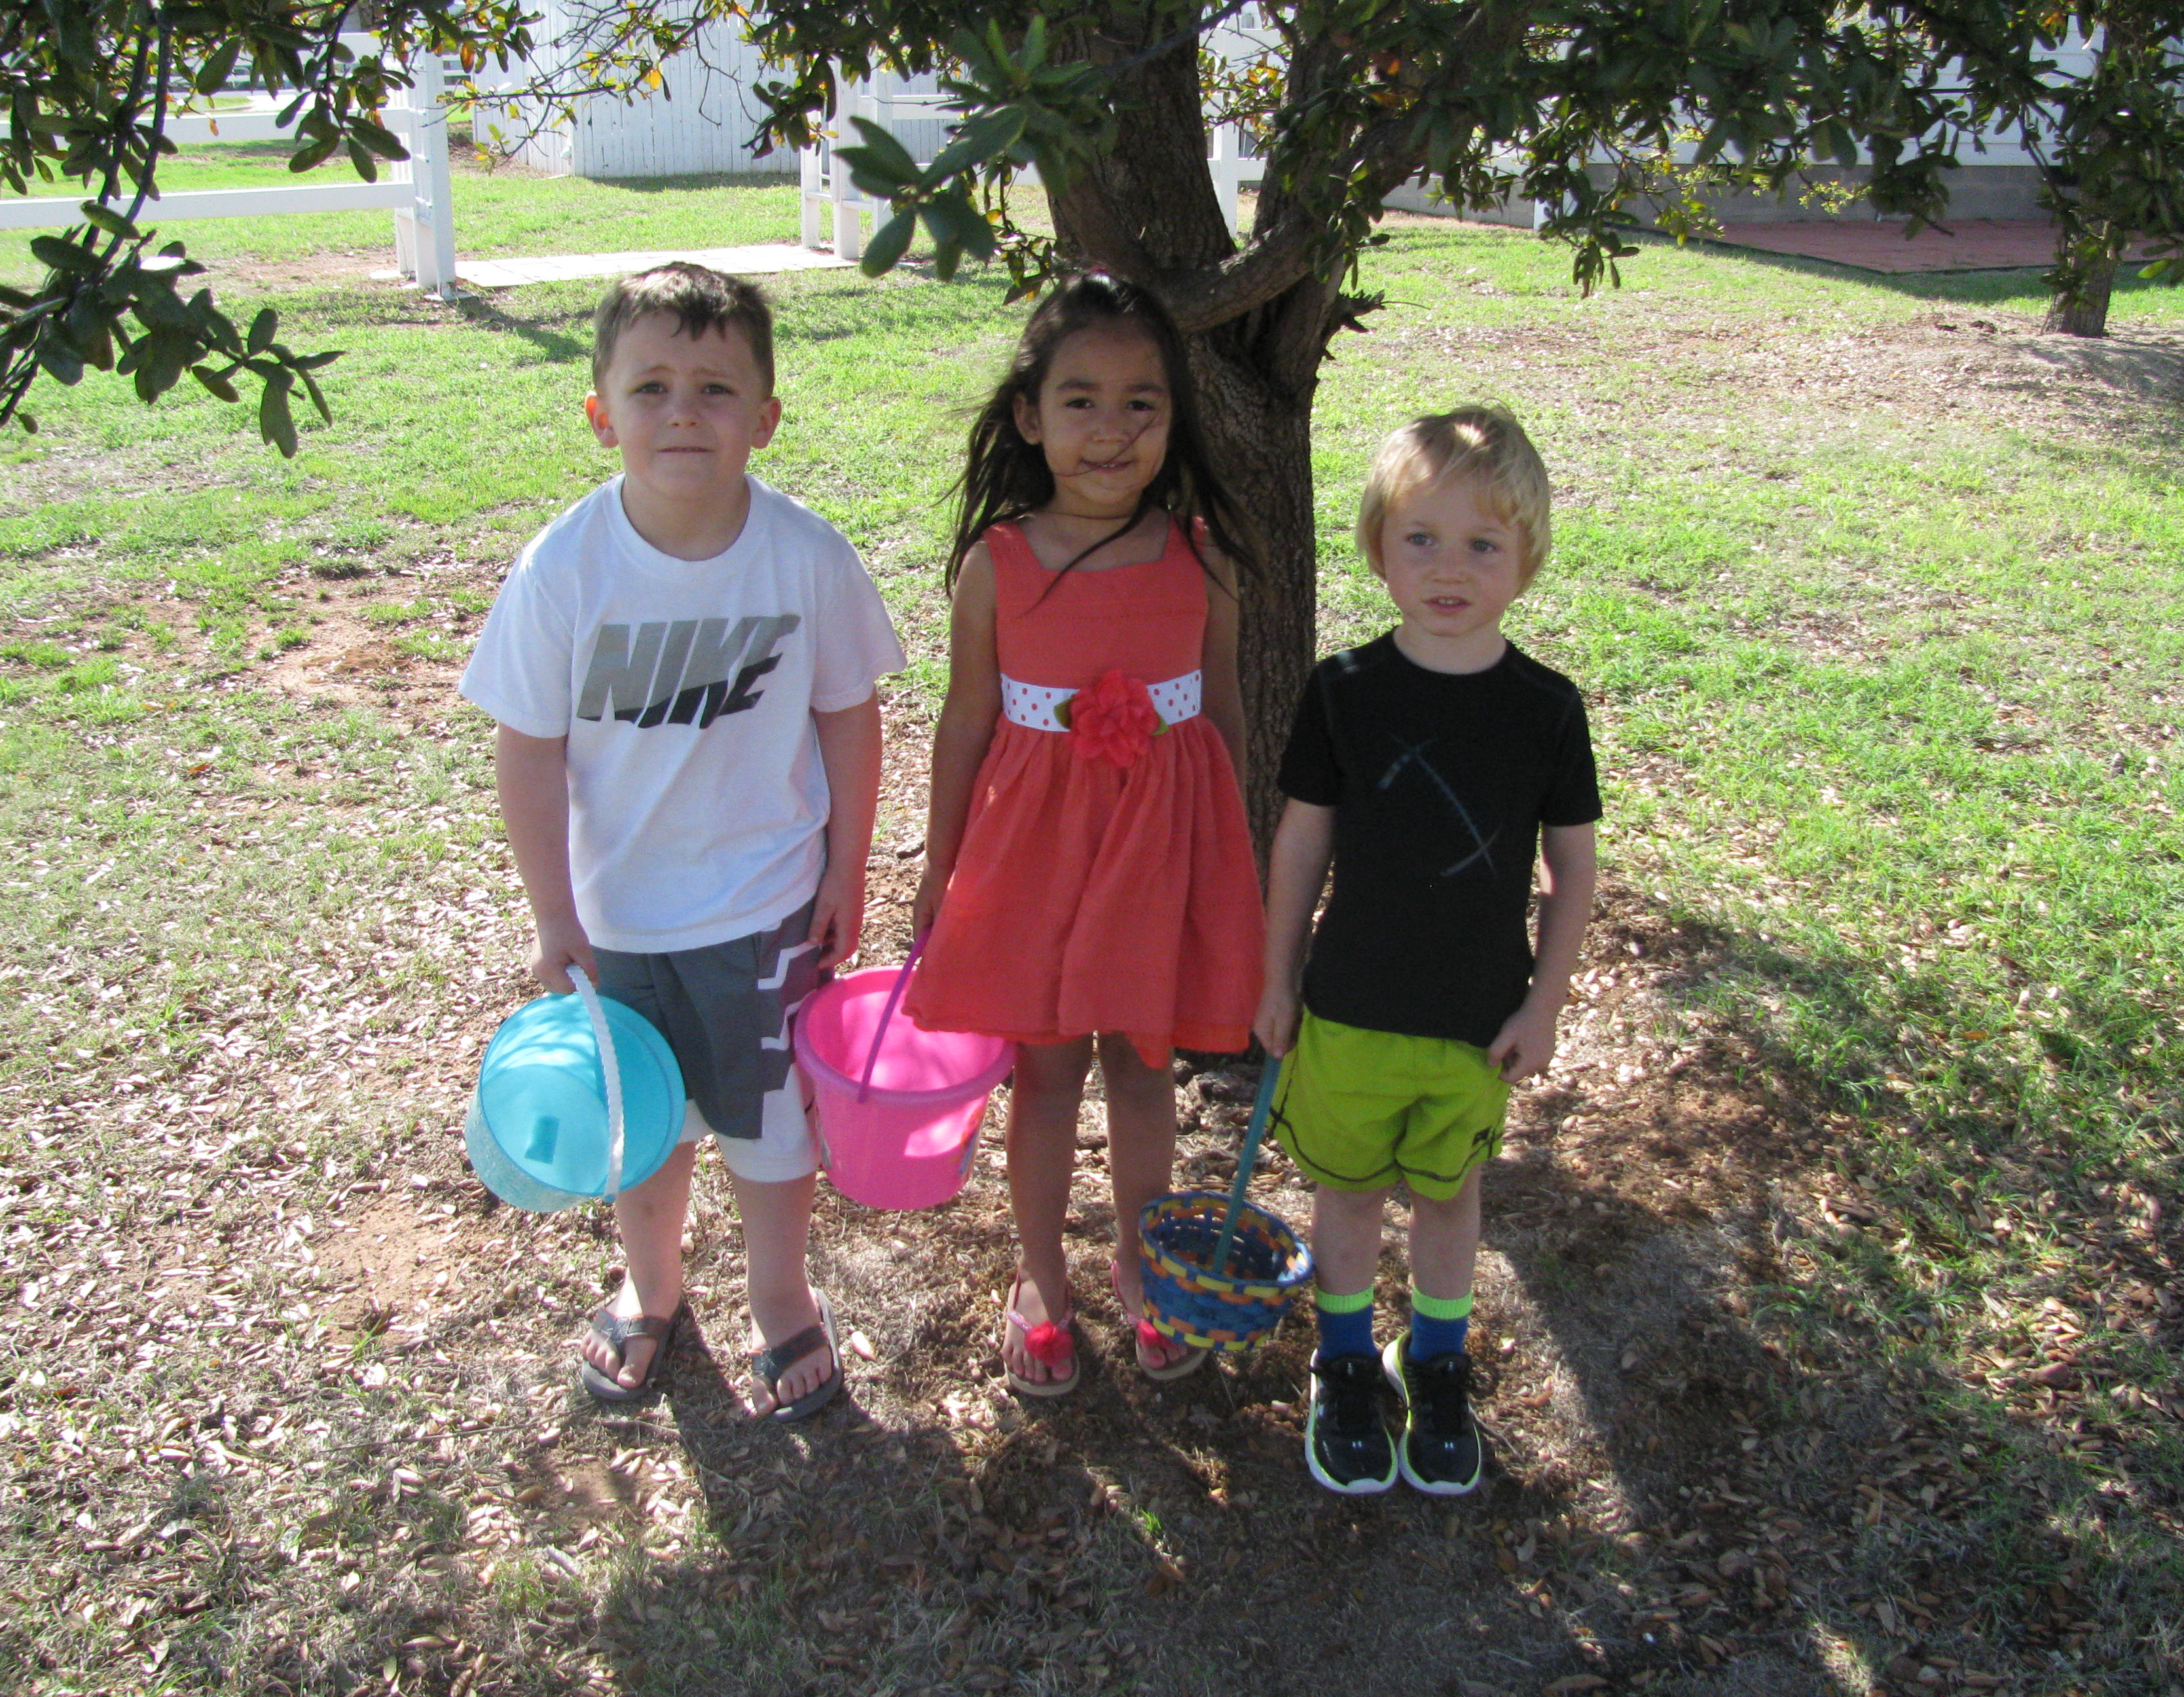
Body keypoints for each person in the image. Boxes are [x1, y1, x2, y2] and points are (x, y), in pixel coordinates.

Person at [460, 264, 903, 1416]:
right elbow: (528, 748)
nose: (683, 414)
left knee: (768, 1126)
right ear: (601, 413)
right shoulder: (564, 570)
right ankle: (651, 1285)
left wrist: (848, 867)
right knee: (645, 1123)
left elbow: (849, 714)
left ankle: (780, 1295)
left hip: (766, 905)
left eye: (716, 388)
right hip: (621, 921)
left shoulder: (808, 558)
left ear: (766, 416)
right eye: (650, 387)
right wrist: (554, 914)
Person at [906, 273, 1265, 1396]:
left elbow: (1222, 713)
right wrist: (941, 865)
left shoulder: (1202, 559)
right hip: (1035, 860)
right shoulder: (998, 565)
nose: (1111, 429)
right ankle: (1042, 1278)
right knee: (1048, 1073)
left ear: (1174, 418)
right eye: (1081, 401)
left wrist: (1231, 865)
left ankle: (1143, 1265)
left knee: (1145, 1069)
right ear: (1029, 416)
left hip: (1157, 859)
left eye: (1140, 404)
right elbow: (967, 723)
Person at [1253, 407, 1601, 1495]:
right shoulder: (1343, 691)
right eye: (1422, 539)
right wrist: (1276, 977)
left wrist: (1544, 1005)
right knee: (1349, 1193)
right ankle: (1346, 1360)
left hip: (1474, 1019)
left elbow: (1572, 869)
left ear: (1527, 558)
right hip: (1351, 1007)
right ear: (1379, 548)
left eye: (1483, 544)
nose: (1450, 569)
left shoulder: (1547, 710)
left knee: (1451, 1197)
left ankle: (1437, 1362)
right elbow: (1302, 841)